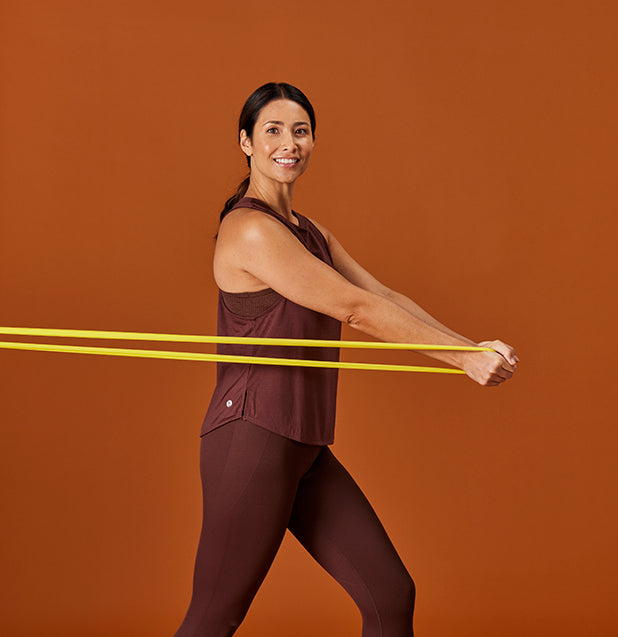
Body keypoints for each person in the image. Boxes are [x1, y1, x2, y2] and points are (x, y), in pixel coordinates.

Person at [173, 82, 518, 637]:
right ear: (246, 142)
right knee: (215, 617)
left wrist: (470, 348)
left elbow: (383, 297)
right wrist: (460, 361)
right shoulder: (251, 229)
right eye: (273, 130)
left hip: (303, 445)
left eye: (300, 130)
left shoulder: (310, 233)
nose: (289, 143)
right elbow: (355, 310)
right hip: (251, 439)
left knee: (390, 596)